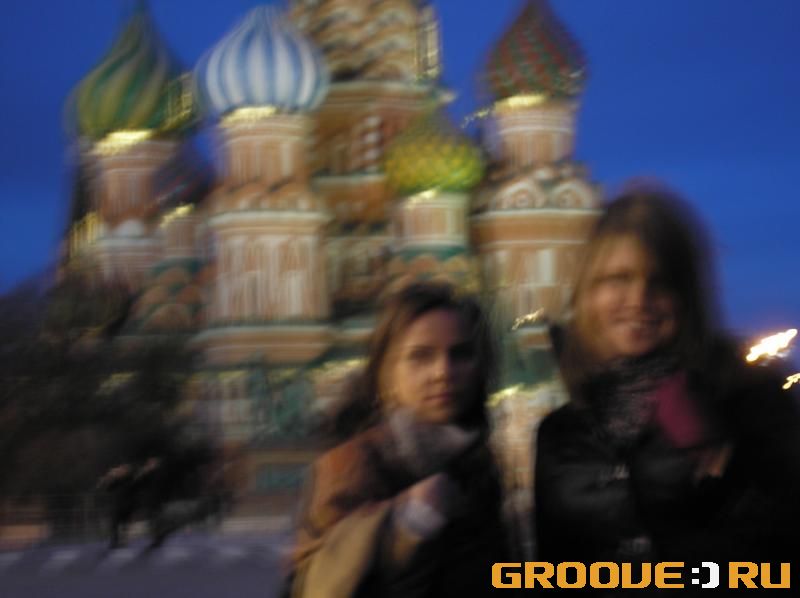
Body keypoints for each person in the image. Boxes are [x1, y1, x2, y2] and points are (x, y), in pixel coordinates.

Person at [534, 184, 800, 585]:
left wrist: (718, 465)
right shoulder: (562, 433)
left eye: (660, 282)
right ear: (588, 293)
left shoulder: (747, 399)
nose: (638, 299)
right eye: (617, 279)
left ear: (687, 296)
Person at [287, 282, 508, 597]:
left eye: (460, 354)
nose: (443, 372)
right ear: (386, 373)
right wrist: (405, 525)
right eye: (421, 356)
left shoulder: (478, 461)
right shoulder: (350, 466)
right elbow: (319, 586)